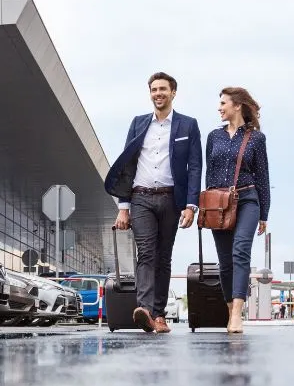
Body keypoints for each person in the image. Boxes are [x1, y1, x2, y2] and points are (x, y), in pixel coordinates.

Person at [103, 72, 203, 334]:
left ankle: (159, 315)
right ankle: (145, 310)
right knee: (146, 252)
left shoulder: (188, 125)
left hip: (171, 198)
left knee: (164, 257)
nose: (158, 93)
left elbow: (195, 167)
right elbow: (127, 165)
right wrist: (123, 207)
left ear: (173, 93)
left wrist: (191, 205)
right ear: (150, 93)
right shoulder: (138, 123)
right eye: (153, 89)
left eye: (163, 89)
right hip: (141, 197)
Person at [204, 87, 271, 333]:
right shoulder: (213, 136)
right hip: (218, 204)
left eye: (223, 103)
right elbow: (208, 174)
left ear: (237, 105)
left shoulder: (256, 138)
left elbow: (263, 176)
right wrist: (207, 206)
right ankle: (229, 305)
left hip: (247, 200)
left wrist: (265, 213)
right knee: (224, 262)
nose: (219, 108)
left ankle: (236, 314)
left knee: (240, 250)